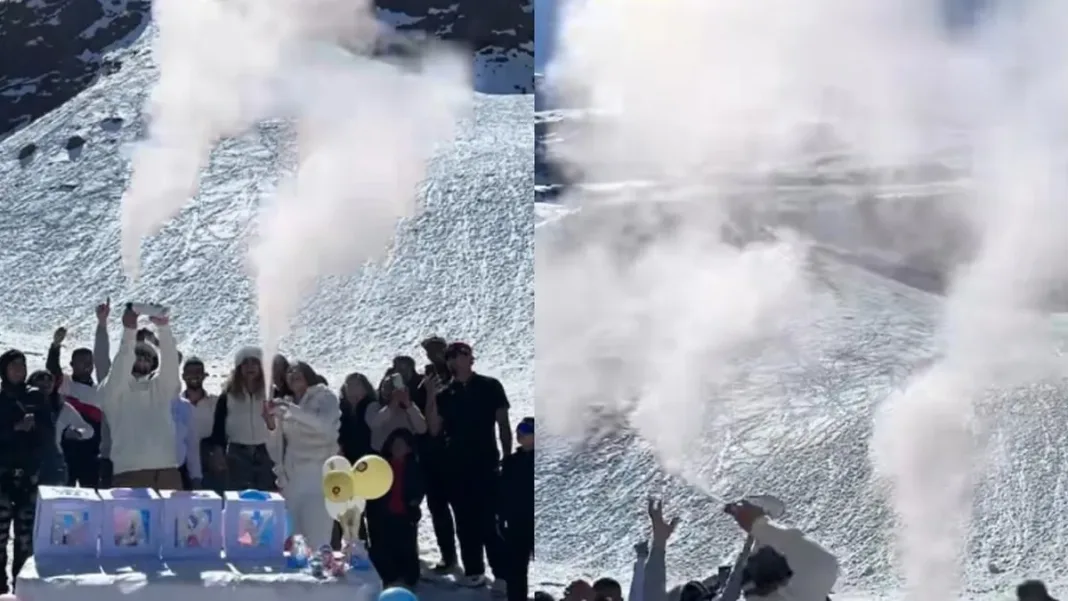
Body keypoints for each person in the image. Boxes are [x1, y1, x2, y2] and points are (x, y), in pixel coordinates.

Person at [429, 341, 511, 587]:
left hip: (486, 465)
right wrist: (431, 397)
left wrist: (507, 458)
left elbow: (503, 424)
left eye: (461, 355)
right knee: (465, 523)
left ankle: (502, 574)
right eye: (451, 356)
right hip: (455, 468)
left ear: (471, 359)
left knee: (490, 522)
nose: (455, 360)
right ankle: (474, 571)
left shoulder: (489, 386)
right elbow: (433, 429)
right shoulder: (445, 394)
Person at [98, 304, 182, 489]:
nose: (142, 360)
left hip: (168, 472)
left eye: (148, 357)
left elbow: (171, 367)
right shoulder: (113, 389)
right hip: (130, 473)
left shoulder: (160, 388)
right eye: (138, 355)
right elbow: (120, 365)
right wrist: (129, 332)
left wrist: (164, 328)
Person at [265, 361, 341, 549]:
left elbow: (324, 426)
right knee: (293, 543)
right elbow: (276, 447)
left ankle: (321, 574)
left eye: (297, 370)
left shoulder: (325, 397)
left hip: (318, 479)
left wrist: (291, 411)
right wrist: (270, 424)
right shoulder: (287, 404)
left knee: (317, 540)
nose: (293, 373)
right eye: (289, 371)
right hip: (293, 480)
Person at [0, 349, 54, 593]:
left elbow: (48, 435)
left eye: (22, 365)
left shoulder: (36, 398)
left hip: (29, 477)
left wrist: (34, 429)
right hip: (2, 476)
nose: (19, 370)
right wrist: (15, 429)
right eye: (13, 366)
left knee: (25, 537)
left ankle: (21, 589)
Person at [46, 300, 112, 488]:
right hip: (64, 452)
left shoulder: (100, 391)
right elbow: (52, 369)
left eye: (89, 362)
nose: (86, 365)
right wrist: (55, 346)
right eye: (81, 362)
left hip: (90, 455)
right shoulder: (64, 383)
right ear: (72, 364)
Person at [414, 335, 458, 572]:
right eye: (429, 351)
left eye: (437, 350)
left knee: (463, 510)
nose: (434, 355)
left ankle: (474, 562)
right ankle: (449, 556)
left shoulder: (457, 376)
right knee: (438, 507)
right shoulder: (427, 378)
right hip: (432, 452)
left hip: (456, 451)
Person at [208, 347, 276, 491]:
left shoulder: (271, 392)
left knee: (265, 493)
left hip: (265, 450)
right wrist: (218, 452)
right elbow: (219, 427)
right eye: (245, 363)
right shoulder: (228, 394)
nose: (250, 367)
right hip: (237, 452)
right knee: (239, 494)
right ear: (239, 368)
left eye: (254, 362)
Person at [365, 429, 425, 589]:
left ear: (409, 448)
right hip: (384, 515)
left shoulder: (414, 467)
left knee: (406, 549)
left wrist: (413, 501)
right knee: (384, 547)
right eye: (395, 444)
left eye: (401, 445)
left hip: (405, 515)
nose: (397, 448)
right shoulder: (382, 466)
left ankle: (407, 575)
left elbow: (419, 488)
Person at [27, 370, 94, 486]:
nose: (46, 383)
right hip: (25, 460)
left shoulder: (62, 407)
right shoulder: (21, 405)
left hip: (53, 463)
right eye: (41, 380)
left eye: (49, 380)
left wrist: (78, 433)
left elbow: (88, 429)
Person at [498, 417, 535, 601]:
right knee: (516, 569)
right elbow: (502, 490)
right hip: (516, 522)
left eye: (527, 429)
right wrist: (501, 516)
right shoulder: (511, 461)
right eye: (520, 429)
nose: (521, 433)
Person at [180, 357, 221, 491]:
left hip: (209, 459)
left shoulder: (215, 403)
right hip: (183, 460)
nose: (194, 376)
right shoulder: (176, 404)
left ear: (204, 376)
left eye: (198, 372)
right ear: (183, 376)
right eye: (190, 372)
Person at [366, 373, 427, 452]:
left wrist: (408, 405)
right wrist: (393, 403)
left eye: (392, 387)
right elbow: (374, 424)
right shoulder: (374, 407)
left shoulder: (409, 407)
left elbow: (422, 429)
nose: (389, 391)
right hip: (382, 453)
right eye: (385, 387)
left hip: (406, 454)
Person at [172, 393, 203, 491]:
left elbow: (192, 444)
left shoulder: (184, 406)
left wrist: (196, 476)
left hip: (176, 471)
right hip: (140, 472)